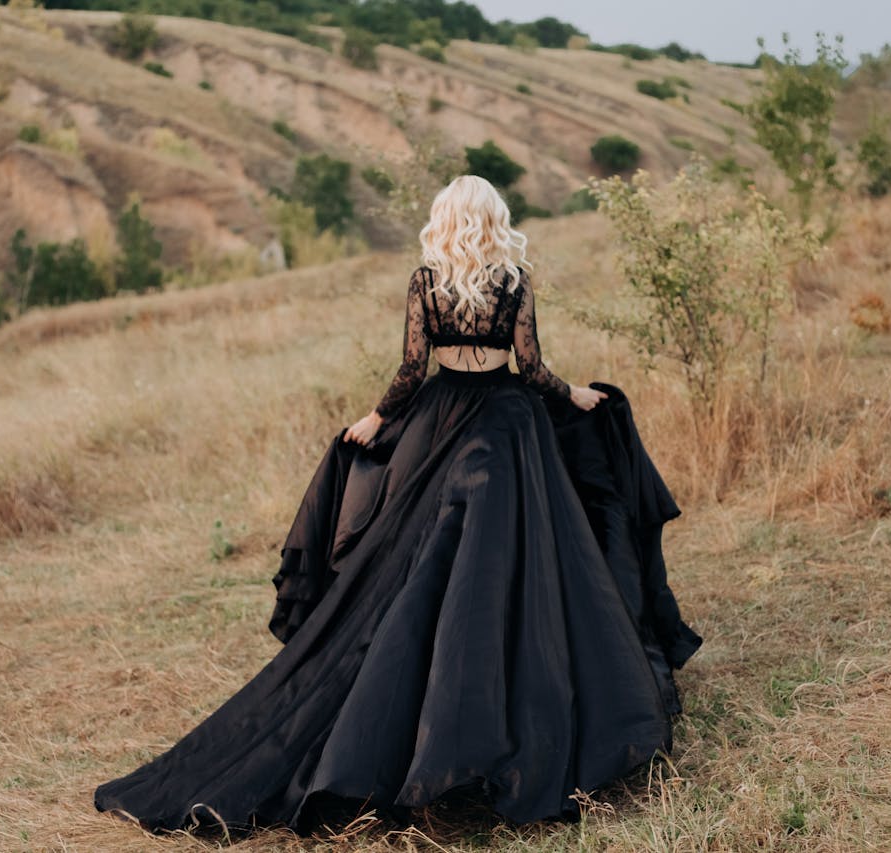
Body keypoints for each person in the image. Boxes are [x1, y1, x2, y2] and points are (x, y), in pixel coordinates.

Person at [93, 174, 702, 838]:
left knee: (420, 567)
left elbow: (414, 368)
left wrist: (377, 417)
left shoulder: (425, 281)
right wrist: (576, 395)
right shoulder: (514, 280)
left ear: (444, 221)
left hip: (442, 424)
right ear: (494, 219)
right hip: (508, 428)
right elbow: (531, 369)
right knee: (512, 568)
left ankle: (420, 729)